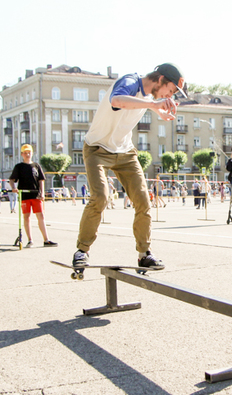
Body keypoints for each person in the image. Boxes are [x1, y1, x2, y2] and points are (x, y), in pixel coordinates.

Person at [72, 63, 186, 270]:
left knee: (143, 200)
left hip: (125, 152)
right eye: (169, 90)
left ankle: (144, 254)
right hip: (97, 148)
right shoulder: (130, 82)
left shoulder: (149, 98)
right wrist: (152, 106)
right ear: (160, 79)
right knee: (100, 197)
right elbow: (117, 101)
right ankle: (82, 250)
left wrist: (158, 111)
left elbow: (141, 106)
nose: (170, 96)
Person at [9, 144, 57, 247]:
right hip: (25, 195)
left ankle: (46, 239)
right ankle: (30, 240)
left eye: (29, 152)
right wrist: (14, 187)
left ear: (32, 153)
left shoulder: (36, 166)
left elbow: (41, 180)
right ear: (22, 154)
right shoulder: (19, 166)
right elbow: (12, 180)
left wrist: (42, 193)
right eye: (25, 153)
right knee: (27, 217)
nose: (27, 154)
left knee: (41, 216)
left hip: (36, 195)